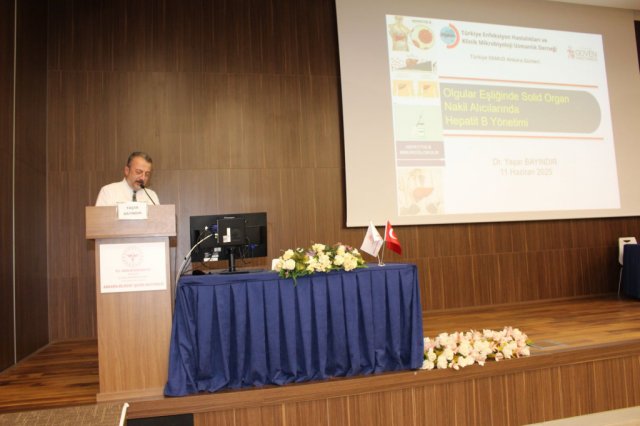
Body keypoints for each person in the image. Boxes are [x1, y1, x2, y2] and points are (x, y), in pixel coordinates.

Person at [95, 151, 160, 206]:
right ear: (127, 171)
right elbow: (99, 217)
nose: (143, 178)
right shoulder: (108, 192)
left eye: (147, 174)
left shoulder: (152, 196)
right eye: (138, 172)